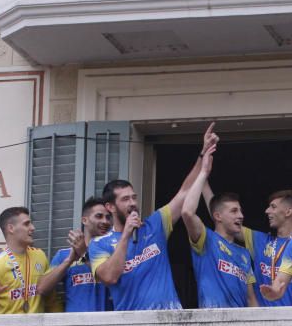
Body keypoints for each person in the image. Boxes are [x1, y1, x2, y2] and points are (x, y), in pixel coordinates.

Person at [90, 124, 218, 311]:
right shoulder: (99, 244)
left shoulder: (155, 225)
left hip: (168, 325)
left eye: (134, 197)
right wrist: (125, 236)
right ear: (110, 207)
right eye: (125, 199)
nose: (132, 203)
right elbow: (110, 277)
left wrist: (203, 153)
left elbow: (184, 193)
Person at [179, 145, 257, 309]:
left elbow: (251, 300)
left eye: (241, 211)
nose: (241, 216)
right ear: (218, 217)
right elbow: (187, 212)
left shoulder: (244, 253)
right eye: (234, 211)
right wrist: (202, 174)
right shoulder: (206, 240)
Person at [49, 197, 113, 313]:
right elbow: (42, 289)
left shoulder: (115, 253)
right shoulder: (64, 254)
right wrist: (68, 261)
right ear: (84, 220)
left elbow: (111, 279)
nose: (105, 221)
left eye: (108, 217)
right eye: (99, 216)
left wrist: (83, 253)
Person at [242, 190, 292, 307]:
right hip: (262, 321)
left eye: (273, 207)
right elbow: (224, 220)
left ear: (288, 211)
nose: (267, 211)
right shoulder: (259, 240)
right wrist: (203, 177)